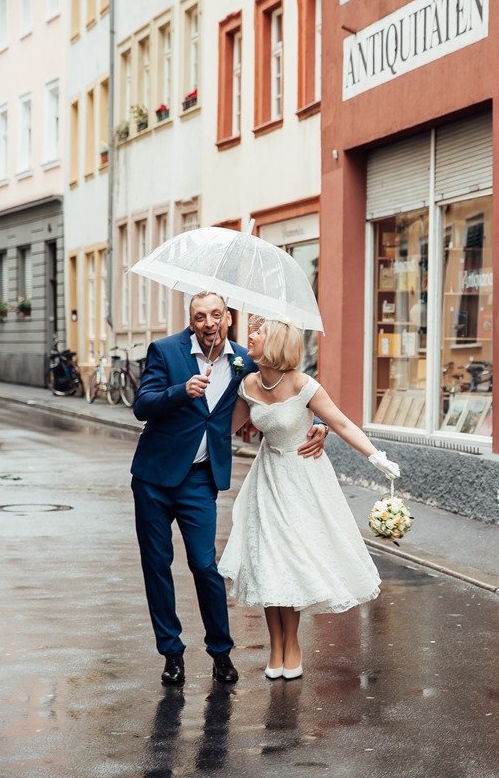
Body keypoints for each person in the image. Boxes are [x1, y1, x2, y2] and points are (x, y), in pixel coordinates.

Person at [130, 292, 330, 685]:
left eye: (216, 315)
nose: (209, 323)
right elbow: (142, 405)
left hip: (201, 479)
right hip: (154, 477)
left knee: (206, 565)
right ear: (192, 322)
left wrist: (317, 425)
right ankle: (171, 654)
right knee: (157, 566)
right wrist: (179, 391)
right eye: (200, 316)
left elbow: (287, 389)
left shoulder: (245, 359)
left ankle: (220, 652)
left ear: (227, 319)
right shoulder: (165, 351)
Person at [219, 317, 401, 680]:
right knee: (267, 561)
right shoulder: (248, 383)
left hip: (302, 478)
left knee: (292, 559)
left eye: (257, 332)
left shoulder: (304, 385)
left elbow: (342, 422)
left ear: (274, 343)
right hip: (267, 478)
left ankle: (293, 644)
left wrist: (376, 458)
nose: (249, 337)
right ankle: (276, 645)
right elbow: (222, 429)